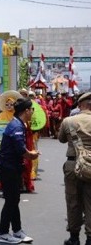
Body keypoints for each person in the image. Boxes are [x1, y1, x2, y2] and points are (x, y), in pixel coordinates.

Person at [0, 97, 39, 244]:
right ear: (26, 111)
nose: (32, 112)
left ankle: (17, 230)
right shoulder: (16, 126)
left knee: (14, 199)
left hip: (12, 167)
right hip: (8, 168)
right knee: (11, 200)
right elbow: (20, 149)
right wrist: (31, 155)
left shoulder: (19, 124)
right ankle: (2, 233)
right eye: (31, 109)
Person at [58, 92, 91, 245]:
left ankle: (74, 238)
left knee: (73, 202)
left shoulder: (69, 121)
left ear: (80, 105)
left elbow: (61, 139)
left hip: (73, 164)